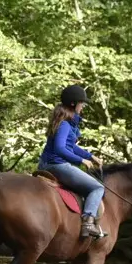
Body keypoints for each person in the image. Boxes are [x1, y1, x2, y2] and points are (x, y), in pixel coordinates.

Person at [39, 85, 107, 239]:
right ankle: (88, 224)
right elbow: (60, 149)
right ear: (73, 104)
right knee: (97, 188)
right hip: (57, 165)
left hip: (50, 164)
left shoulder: (65, 122)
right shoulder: (65, 124)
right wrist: (81, 160)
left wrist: (90, 156)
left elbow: (71, 147)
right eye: (81, 103)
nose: (83, 106)